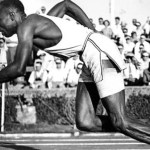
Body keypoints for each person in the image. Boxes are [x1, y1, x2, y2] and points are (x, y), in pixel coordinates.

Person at [0, 0, 150, 144]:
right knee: (86, 121)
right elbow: (66, 5)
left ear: (12, 15)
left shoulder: (26, 25)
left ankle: (127, 124)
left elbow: (19, 68)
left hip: (97, 51)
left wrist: (94, 33)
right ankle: (134, 125)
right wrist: (93, 31)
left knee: (120, 120)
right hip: (88, 56)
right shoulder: (39, 21)